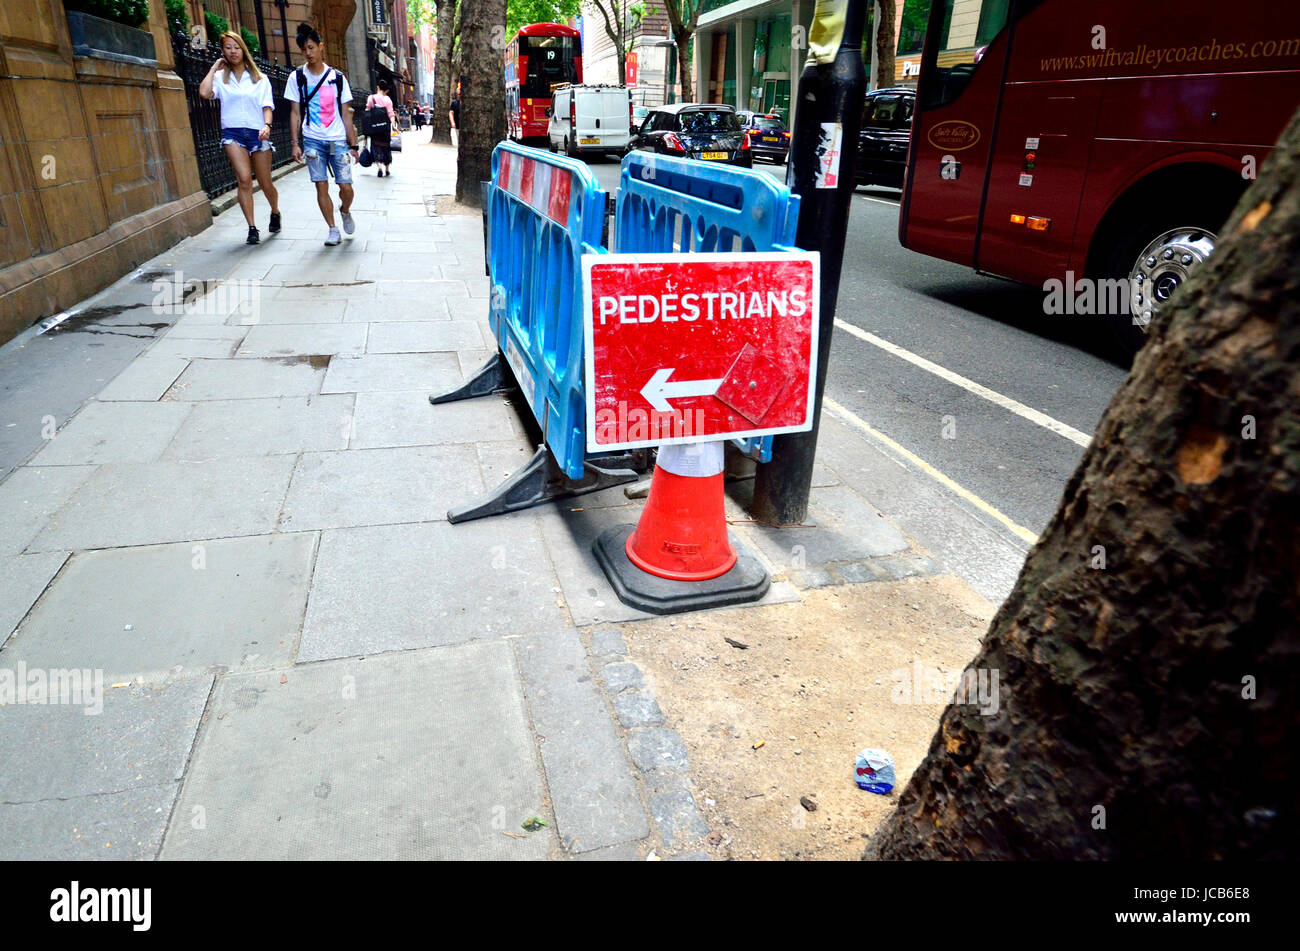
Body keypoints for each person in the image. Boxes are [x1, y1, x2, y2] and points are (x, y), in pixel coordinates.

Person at [199, 31, 279, 245]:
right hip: (233, 133)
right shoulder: (219, 78)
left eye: (236, 47)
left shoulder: (260, 79)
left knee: (265, 183)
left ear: (243, 49)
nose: (232, 51)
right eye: (228, 47)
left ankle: (275, 211)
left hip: (257, 132)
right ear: (222, 51)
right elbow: (205, 93)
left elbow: (267, 106)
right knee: (244, 180)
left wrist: (267, 125)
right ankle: (252, 228)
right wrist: (214, 67)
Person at [285, 22, 359, 247]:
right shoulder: (297, 78)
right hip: (313, 140)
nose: (308, 53)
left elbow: (346, 114)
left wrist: (354, 145)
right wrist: (295, 143)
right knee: (320, 184)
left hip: (337, 140)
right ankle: (332, 228)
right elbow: (295, 113)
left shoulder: (336, 78)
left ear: (321, 47)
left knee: (345, 186)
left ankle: (345, 210)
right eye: (304, 49)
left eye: (311, 47)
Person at [364, 79, 397, 178]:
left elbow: (367, 111)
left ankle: (379, 167)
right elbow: (391, 113)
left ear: (377, 87)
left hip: (375, 127)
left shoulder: (371, 98)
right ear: (386, 90)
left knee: (376, 146)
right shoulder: (387, 100)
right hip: (385, 127)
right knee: (386, 147)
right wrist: (394, 125)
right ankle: (387, 169)